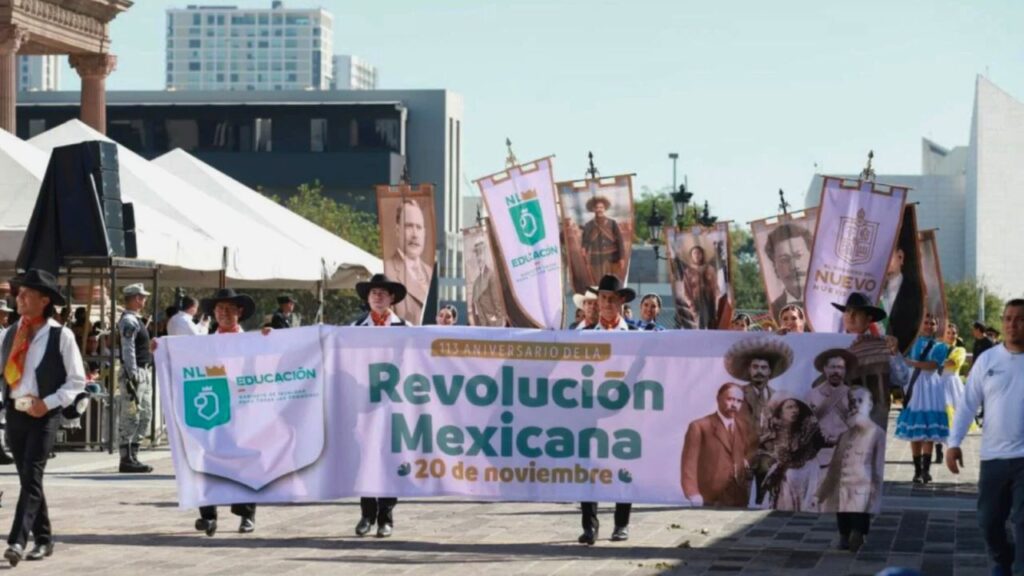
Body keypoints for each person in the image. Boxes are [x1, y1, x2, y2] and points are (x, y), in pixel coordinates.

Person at [2, 270, 86, 566]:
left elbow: (77, 381)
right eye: (19, 293)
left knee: (32, 475)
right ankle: (45, 538)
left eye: (26, 294)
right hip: (15, 413)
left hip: (44, 415)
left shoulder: (60, 335)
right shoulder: (11, 332)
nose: (19, 298)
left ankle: (16, 541)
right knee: (28, 479)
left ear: (44, 299)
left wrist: (48, 402)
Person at [947, 299, 1024, 576]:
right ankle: (1004, 559)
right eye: (1008, 318)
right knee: (988, 521)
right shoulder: (988, 360)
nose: (1012, 324)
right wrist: (953, 443)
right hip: (993, 457)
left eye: (1019, 319)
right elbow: (968, 403)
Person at [829, 292, 905, 552]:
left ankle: (859, 530)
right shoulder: (828, 343)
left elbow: (901, 377)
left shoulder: (881, 345)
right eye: (847, 312)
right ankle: (843, 530)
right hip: (837, 422)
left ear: (868, 318)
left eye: (856, 313)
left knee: (862, 475)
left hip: (870, 421)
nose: (850, 316)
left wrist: (894, 353)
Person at [193, 288, 263, 536]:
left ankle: (246, 514)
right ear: (213, 313)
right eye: (220, 309)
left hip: (242, 408)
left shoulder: (253, 341)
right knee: (206, 459)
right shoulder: (201, 343)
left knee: (242, 460)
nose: (224, 313)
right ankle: (208, 516)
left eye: (229, 309)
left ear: (239, 312)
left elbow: (263, 371)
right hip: (210, 409)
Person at [578, 275, 636, 544]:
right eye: (603, 298)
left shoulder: (639, 336)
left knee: (622, 466)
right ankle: (589, 527)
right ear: (597, 301)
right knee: (588, 468)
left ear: (621, 301)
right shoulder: (582, 337)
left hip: (624, 413)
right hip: (590, 414)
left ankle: (621, 524)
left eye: (612, 299)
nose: (607, 303)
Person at [351, 273, 408, 538]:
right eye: (373, 293)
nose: (378, 297)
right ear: (367, 297)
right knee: (364, 458)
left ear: (392, 298)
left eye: (383, 293)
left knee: (388, 458)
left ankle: (386, 516)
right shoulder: (352, 330)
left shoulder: (406, 329)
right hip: (362, 405)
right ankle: (366, 514)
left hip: (393, 405)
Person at [723, 337, 794, 505]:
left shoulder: (777, 397)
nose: (759, 371)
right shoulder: (737, 394)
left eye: (764, 368)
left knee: (767, 503)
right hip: (743, 456)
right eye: (755, 367)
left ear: (770, 372)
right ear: (749, 370)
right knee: (740, 502)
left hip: (768, 458)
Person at [815, 387, 886, 553]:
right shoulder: (845, 435)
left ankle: (858, 533)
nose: (855, 405)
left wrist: (875, 493)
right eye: (852, 401)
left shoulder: (877, 433)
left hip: (862, 484)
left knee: (859, 512)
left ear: (870, 405)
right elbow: (835, 466)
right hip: (843, 485)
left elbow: (877, 467)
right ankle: (844, 536)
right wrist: (822, 493)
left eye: (860, 401)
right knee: (843, 512)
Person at [894, 314, 950, 484]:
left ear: (936, 326)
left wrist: (911, 363)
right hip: (914, 385)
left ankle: (926, 470)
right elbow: (899, 358)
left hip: (931, 386)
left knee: (928, 430)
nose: (928, 325)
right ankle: (917, 470)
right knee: (916, 431)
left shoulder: (941, 346)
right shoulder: (912, 342)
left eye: (932, 323)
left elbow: (933, 365)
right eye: (925, 322)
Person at [680, 382, 754, 507]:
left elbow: (750, 450)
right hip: (709, 498)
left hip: (739, 497)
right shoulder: (699, 426)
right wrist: (693, 494)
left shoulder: (744, 427)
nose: (734, 404)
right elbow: (689, 464)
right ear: (718, 399)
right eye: (730, 399)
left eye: (739, 401)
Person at [116, 284, 154, 474]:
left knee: (145, 414)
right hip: (135, 372)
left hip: (143, 371)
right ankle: (126, 457)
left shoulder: (136, 320)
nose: (144, 300)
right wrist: (132, 374)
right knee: (131, 415)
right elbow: (128, 348)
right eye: (142, 297)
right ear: (135, 298)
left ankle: (134, 454)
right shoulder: (129, 321)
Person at [764, 398, 824, 512]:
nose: (794, 410)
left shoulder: (808, 428)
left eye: (796, 407)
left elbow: (818, 443)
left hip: (809, 472)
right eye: (789, 407)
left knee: (809, 507)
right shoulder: (773, 432)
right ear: (781, 412)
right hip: (786, 476)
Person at [806, 349, 857, 471]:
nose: (836, 371)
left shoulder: (854, 396)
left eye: (840, 367)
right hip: (819, 457)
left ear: (845, 370)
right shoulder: (811, 395)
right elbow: (806, 427)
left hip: (847, 456)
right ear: (825, 369)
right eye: (832, 367)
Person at [383, 199, 431, 325]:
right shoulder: (386, 272)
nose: (415, 234)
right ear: (398, 230)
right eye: (409, 226)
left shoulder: (431, 272)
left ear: (424, 233)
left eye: (419, 227)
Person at [935, 323, 971, 465]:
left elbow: (951, 363)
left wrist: (935, 361)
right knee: (938, 415)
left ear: (957, 335)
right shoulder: (938, 348)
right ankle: (938, 449)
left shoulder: (960, 350)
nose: (951, 335)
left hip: (952, 384)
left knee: (952, 417)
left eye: (953, 333)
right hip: (938, 383)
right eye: (948, 332)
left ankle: (952, 446)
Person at [763, 223, 812, 324]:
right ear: (775, 268)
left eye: (798, 256)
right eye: (785, 260)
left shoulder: (831, 300)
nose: (794, 266)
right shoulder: (773, 311)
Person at [580, 195, 625, 283]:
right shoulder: (588, 225)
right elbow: (585, 240)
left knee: (613, 282)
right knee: (598, 282)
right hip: (596, 257)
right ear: (593, 209)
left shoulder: (612, 223)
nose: (599, 209)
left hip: (613, 256)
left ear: (604, 209)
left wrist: (622, 258)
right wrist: (583, 248)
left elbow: (620, 241)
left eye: (601, 207)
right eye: (597, 207)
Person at [673, 245, 718, 329]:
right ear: (691, 256)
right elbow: (686, 290)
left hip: (709, 301)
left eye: (699, 253)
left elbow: (715, 287)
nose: (697, 255)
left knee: (711, 324)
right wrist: (690, 303)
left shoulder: (710, 269)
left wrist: (715, 301)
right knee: (698, 325)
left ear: (702, 255)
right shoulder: (688, 271)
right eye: (694, 253)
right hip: (696, 302)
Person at [468, 239, 505, 327]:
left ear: (486, 255)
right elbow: (474, 306)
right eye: (477, 254)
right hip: (481, 325)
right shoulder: (476, 281)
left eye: (481, 253)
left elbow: (497, 302)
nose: (479, 258)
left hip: (494, 325)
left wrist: (499, 323)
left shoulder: (492, 276)